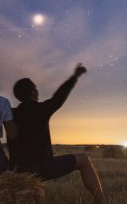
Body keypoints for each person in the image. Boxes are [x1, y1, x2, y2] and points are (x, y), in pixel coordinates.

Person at [9, 63, 105, 204]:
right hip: (42, 168)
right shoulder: (42, 109)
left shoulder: (11, 113)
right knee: (84, 159)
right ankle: (102, 202)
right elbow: (60, 96)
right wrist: (75, 77)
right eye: (35, 88)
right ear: (32, 92)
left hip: (18, 170)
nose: (37, 91)